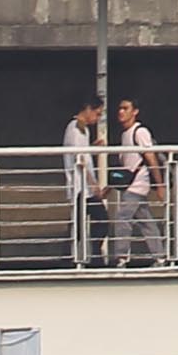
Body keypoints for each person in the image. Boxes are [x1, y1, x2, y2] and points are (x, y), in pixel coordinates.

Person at [109, 100, 165, 264]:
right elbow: (126, 165)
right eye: (119, 108)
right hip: (131, 185)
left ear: (135, 112)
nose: (121, 112)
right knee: (144, 220)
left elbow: (151, 158)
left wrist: (160, 185)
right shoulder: (125, 134)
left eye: (125, 108)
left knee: (122, 217)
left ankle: (121, 257)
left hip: (138, 184)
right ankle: (160, 256)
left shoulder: (140, 132)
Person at [59, 96, 105, 265]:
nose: (97, 118)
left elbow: (83, 153)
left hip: (85, 188)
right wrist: (93, 184)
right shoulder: (75, 128)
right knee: (84, 225)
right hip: (80, 188)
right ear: (88, 109)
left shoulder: (83, 130)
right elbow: (80, 159)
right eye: (97, 114)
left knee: (95, 221)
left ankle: (91, 257)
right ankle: (70, 260)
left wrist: (92, 148)